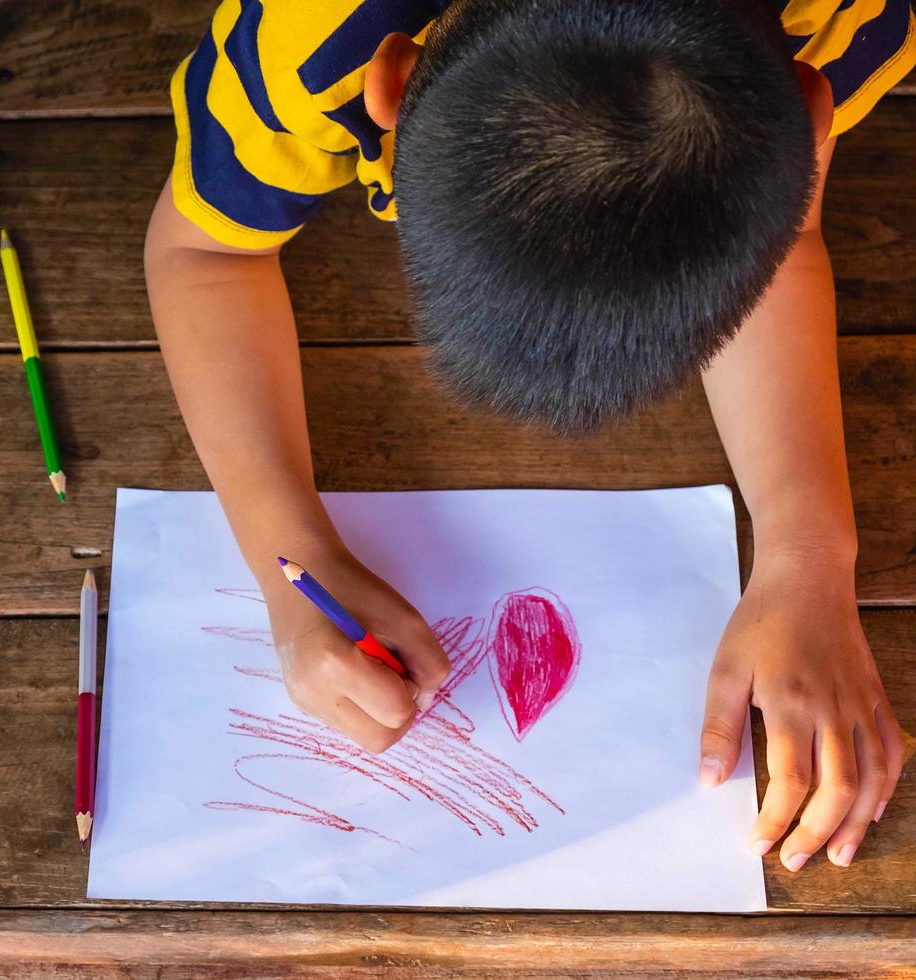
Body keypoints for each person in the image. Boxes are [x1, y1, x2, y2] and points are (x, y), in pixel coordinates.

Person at [144, 0, 913, 873]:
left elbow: (787, 239)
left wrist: (809, 554)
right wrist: (289, 561)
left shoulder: (857, 18)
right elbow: (205, 255)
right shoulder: (305, 43)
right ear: (390, 83)